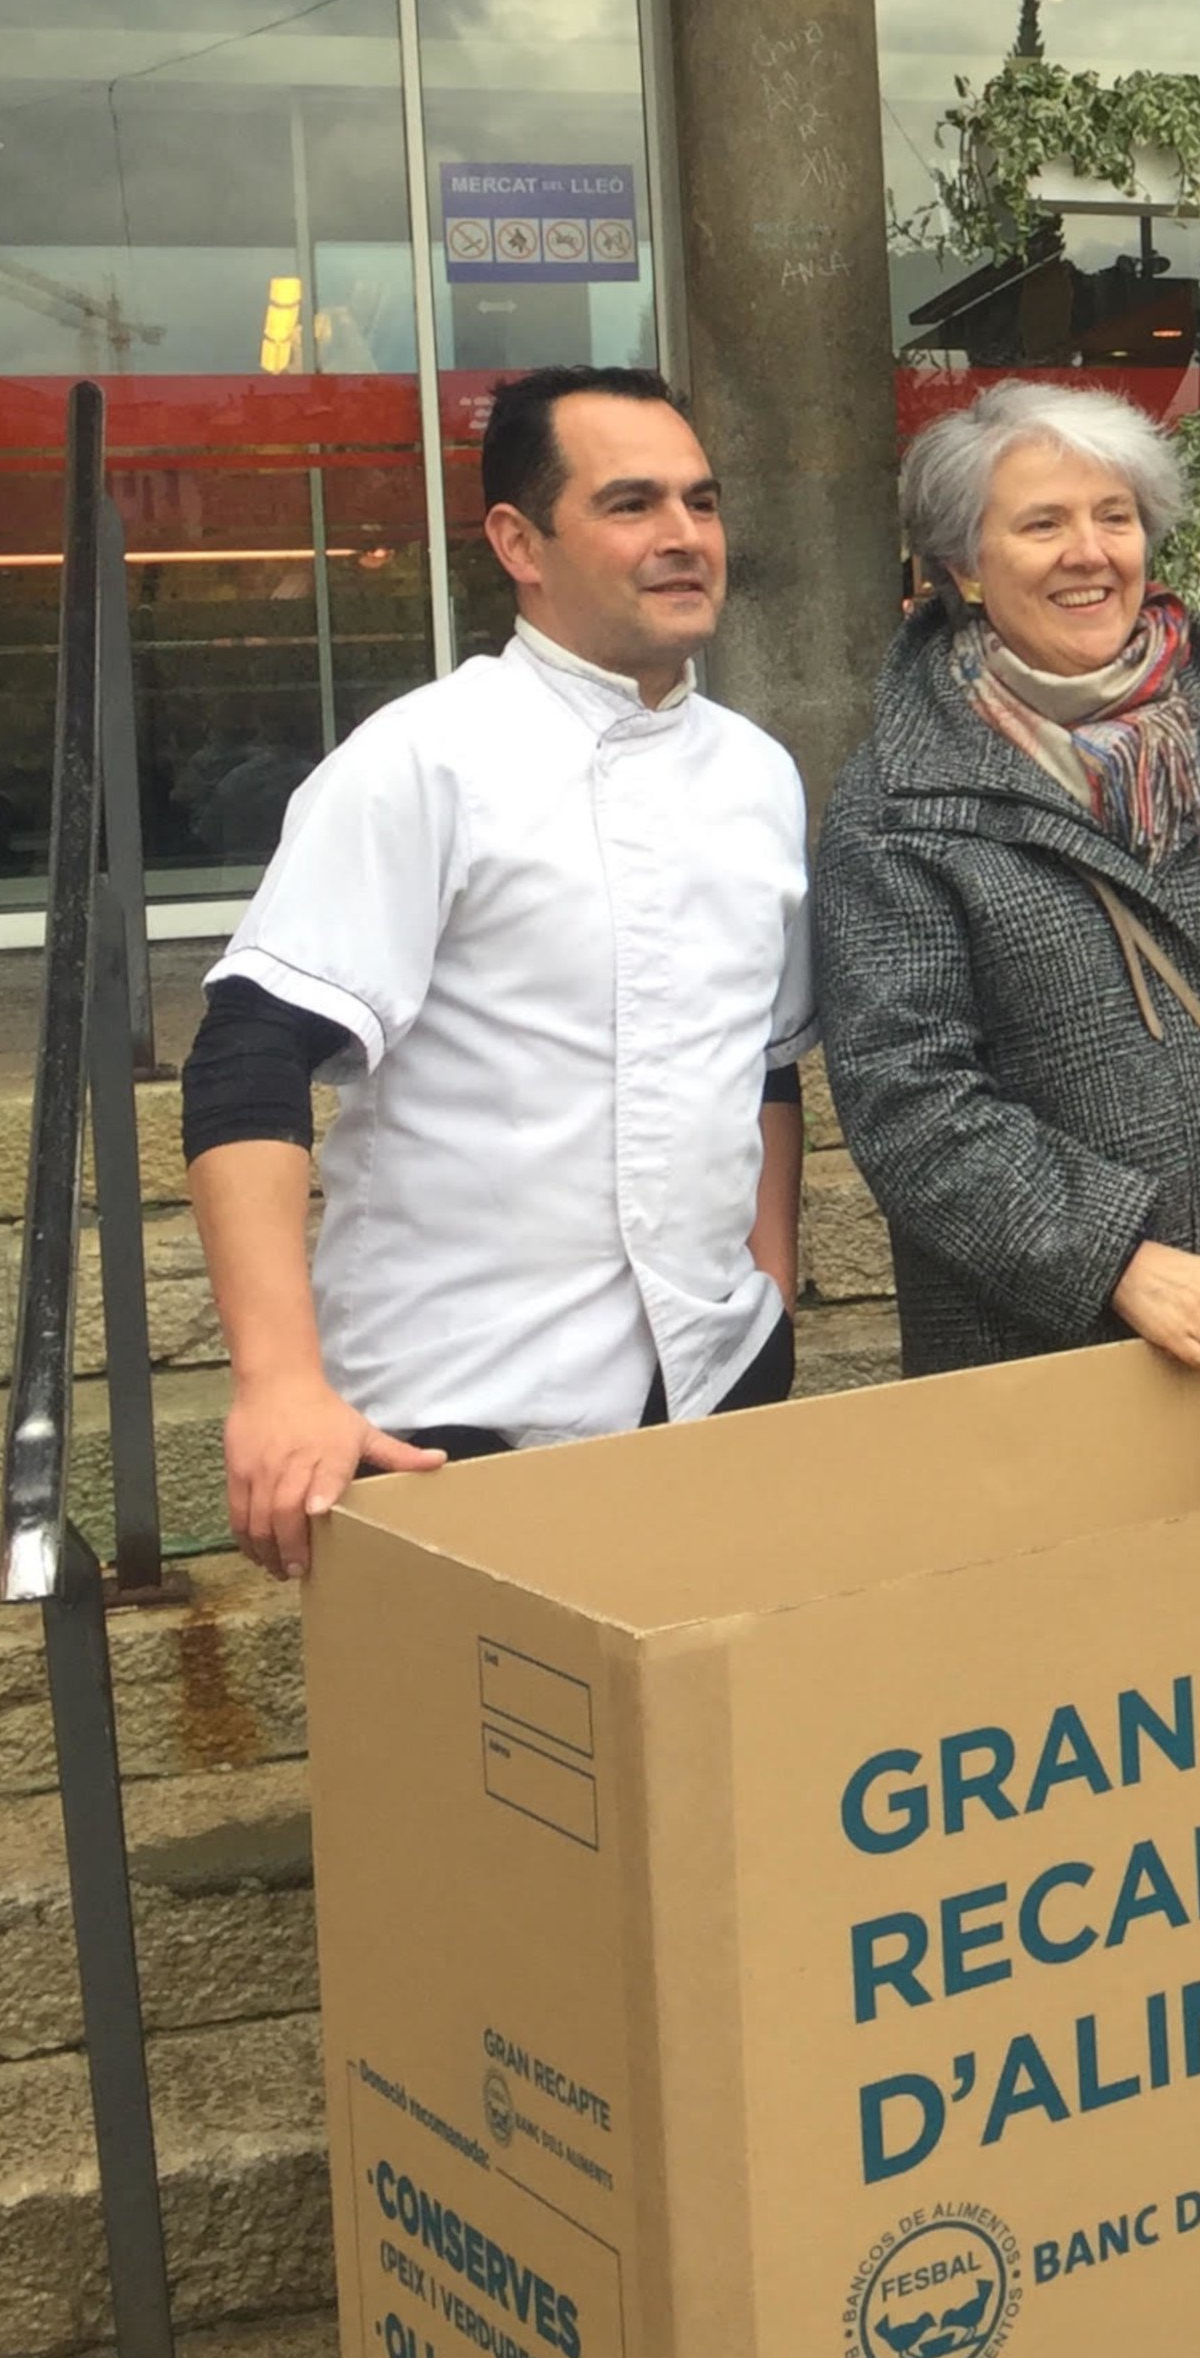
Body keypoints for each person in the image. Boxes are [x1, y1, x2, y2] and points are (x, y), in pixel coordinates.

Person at [188, 366, 812, 1574]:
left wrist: (769, 1289)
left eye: (703, 500)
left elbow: (769, 1059)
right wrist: (277, 1382)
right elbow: (246, 1057)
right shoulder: (424, 759)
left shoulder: (760, 773)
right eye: (631, 503)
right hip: (455, 1414)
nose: (684, 536)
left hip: (708, 1390)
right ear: (519, 541)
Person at [815, 381, 1200, 1378]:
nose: (1090, 552)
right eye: (1043, 523)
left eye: (1115, 516)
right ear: (962, 560)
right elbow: (908, 1095)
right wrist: (1120, 1261)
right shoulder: (895, 799)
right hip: (1044, 1359)